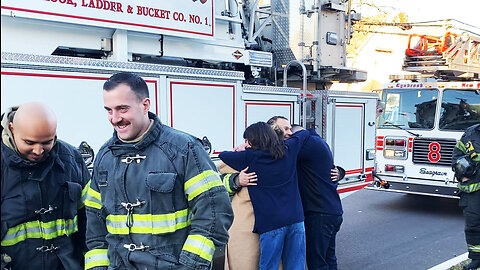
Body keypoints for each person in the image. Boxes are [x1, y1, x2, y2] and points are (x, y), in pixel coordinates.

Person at [83, 72, 234, 269]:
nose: (114, 118)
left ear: (145, 105)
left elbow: (214, 212)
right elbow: (95, 225)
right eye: (109, 110)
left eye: (122, 109)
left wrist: (190, 266)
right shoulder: (105, 156)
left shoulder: (184, 149)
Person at [1, 103, 89, 270]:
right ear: (12, 129)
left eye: (47, 142)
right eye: (30, 142)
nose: (39, 150)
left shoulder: (71, 160)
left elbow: (91, 219)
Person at [219, 121, 308, 270]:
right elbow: (304, 133)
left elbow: (223, 155)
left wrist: (243, 149)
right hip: (296, 220)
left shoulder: (250, 157)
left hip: (271, 224)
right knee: (296, 266)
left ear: (250, 141)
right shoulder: (288, 150)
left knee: (269, 266)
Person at [291, 124, 344, 270]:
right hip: (331, 211)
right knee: (329, 258)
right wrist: (340, 172)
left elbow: (281, 154)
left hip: (319, 213)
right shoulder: (318, 142)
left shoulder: (308, 144)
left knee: (317, 262)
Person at [452, 123, 480, 270]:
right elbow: (457, 155)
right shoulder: (471, 133)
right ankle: (476, 258)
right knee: (473, 225)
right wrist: (461, 173)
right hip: (473, 190)